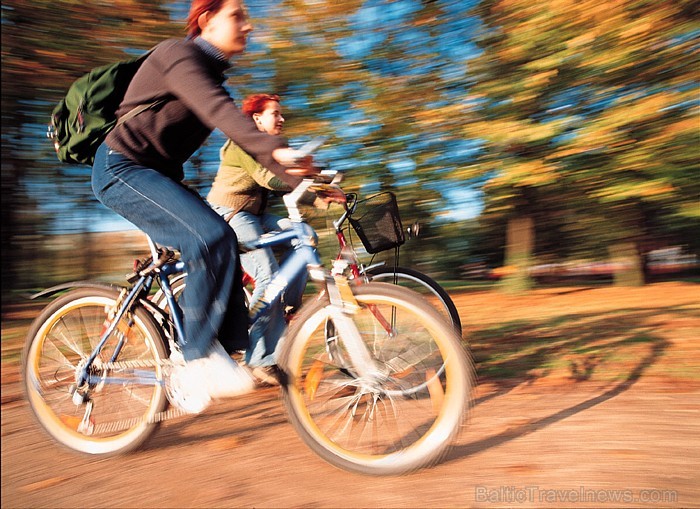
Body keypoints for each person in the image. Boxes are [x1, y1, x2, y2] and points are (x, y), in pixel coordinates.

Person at [91, 0, 313, 413]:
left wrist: (308, 182)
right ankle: (196, 359)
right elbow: (222, 114)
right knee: (208, 236)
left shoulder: (209, 76)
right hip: (120, 168)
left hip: (154, 177)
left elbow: (248, 139)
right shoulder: (179, 55)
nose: (248, 25)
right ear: (207, 20)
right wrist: (276, 148)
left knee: (224, 238)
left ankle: (221, 352)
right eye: (237, 16)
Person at [207, 94, 306, 385]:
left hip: (255, 215)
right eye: (276, 113)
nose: (282, 118)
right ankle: (260, 359)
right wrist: (305, 176)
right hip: (230, 213)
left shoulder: (271, 146)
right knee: (269, 274)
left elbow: (289, 183)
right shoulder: (241, 143)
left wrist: (324, 195)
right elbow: (269, 179)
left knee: (304, 237)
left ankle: (286, 306)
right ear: (257, 119)